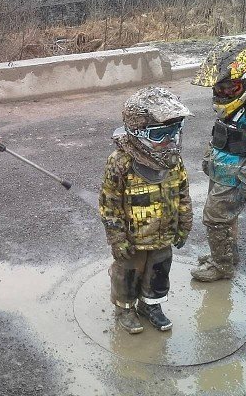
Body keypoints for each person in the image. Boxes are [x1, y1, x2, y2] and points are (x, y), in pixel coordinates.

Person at [99, 87, 193, 334]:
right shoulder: (120, 162)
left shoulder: (173, 159)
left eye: (175, 131)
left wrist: (184, 225)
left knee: (159, 273)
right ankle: (125, 309)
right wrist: (117, 240)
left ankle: (150, 306)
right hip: (133, 239)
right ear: (137, 133)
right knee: (127, 275)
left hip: (164, 235)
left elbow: (182, 192)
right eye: (160, 133)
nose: (169, 139)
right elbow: (109, 204)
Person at [190, 38, 246, 282]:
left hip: (237, 173)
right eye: (219, 89)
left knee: (215, 218)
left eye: (230, 89)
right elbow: (221, 132)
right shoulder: (233, 105)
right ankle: (228, 255)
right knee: (226, 217)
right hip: (222, 168)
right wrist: (210, 157)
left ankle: (222, 266)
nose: (223, 93)